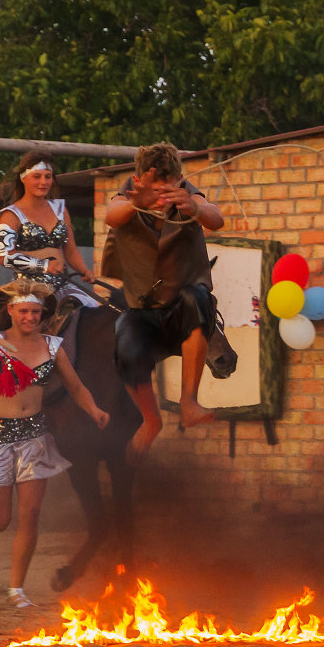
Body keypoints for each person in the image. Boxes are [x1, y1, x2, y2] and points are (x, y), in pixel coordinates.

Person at [0, 278, 110, 609]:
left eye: (36, 311)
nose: (31, 317)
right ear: (11, 311)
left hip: (34, 436)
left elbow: (75, 386)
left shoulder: (52, 346)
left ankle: (16, 589)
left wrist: (94, 409)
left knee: (30, 514)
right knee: (2, 521)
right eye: (24, 311)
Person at [103, 142, 225, 459]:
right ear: (140, 178)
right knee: (124, 345)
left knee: (196, 297)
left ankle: (189, 403)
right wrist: (136, 204)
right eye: (153, 187)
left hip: (181, 310)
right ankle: (150, 420)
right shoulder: (128, 193)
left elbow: (216, 218)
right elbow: (112, 216)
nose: (160, 196)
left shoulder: (186, 193)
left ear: (177, 180)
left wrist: (194, 208)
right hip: (143, 311)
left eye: (166, 188)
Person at [0, 151, 100, 322]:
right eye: (37, 176)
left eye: (48, 176)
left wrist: (84, 270)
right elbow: (4, 257)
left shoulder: (60, 210)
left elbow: (70, 250)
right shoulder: (10, 215)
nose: (43, 182)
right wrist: (44, 265)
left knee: (93, 312)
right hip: (28, 289)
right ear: (23, 178)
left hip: (63, 285)